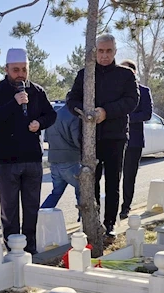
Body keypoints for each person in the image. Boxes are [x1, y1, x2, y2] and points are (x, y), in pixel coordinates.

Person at [67, 33, 139, 236]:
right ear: (95, 52)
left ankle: (110, 224)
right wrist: (84, 112)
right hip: (90, 138)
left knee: (113, 182)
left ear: (115, 52)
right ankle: (92, 223)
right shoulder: (85, 74)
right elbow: (71, 99)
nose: (104, 55)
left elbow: (131, 101)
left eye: (108, 51)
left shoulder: (125, 75)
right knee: (91, 182)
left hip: (115, 137)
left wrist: (106, 112)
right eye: (101, 51)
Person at [0, 48, 56, 254]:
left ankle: (30, 247)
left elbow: (51, 115)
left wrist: (39, 122)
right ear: (6, 69)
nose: (20, 74)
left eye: (24, 69)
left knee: (31, 207)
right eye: (16, 69)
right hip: (8, 160)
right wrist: (13, 103)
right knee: (9, 209)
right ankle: (12, 248)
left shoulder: (37, 91)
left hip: (32, 158)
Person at [119, 59, 153, 220]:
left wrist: (125, 117)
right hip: (115, 140)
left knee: (129, 176)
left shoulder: (144, 91)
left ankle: (126, 207)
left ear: (134, 73)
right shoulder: (115, 91)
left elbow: (147, 114)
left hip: (134, 141)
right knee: (113, 177)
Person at [40, 103, 82, 213]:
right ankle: (84, 220)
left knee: (56, 192)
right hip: (70, 159)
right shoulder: (73, 117)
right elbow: (78, 141)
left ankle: (41, 216)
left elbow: (47, 138)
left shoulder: (54, 115)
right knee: (83, 190)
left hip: (54, 160)